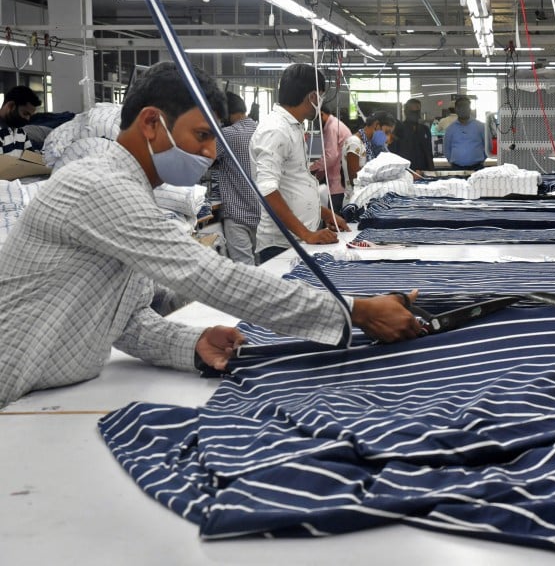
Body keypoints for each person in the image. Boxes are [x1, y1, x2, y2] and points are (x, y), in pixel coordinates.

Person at [0, 62, 424, 409]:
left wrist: (191, 343)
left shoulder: (133, 195)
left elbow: (124, 320)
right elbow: (208, 275)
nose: (211, 153)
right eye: (202, 136)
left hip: (46, 403)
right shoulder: (97, 185)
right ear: (152, 123)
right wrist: (355, 313)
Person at [251, 64, 350, 262]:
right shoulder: (275, 130)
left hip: (298, 239)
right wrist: (307, 234)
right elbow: (267, 189)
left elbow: (293, 181)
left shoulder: (293, 127)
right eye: (321, 97)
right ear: (312, 97)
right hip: (282, 244)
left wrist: (325, 213)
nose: (321, 103)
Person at [216, 91, 261, 265]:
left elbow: (203, 159)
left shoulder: (226, 135)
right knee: (262, 268)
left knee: (244, 270)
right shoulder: (261, 131)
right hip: (262, 215)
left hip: (237, 215)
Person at [308, 102, 352, 212]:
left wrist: (311, 168)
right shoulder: (333, 125)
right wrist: (321, 170)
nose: (315, 123)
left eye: (315, 119)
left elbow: (330, 157)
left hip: (338, 183)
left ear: (322, 114)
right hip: (339, 180)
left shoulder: (332, 128)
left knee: (335, 215)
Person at [342, 114, 396, 199]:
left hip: (366, 197)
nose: (386, 137)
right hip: (355, 200)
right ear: (377, 125)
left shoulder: (369, 144)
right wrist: (381, 176)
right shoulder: (354, 143)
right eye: (386, 132)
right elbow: (354, 179)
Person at [390, 98, 434, 172]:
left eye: (417, 111)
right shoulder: (398, 129)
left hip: (423, 171)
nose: (415, 114)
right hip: (404, 171)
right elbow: (393, 152)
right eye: (412, 112)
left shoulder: (425, 130)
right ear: (406, 112)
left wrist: (432, 170)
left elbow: (429, 153)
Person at [443, 97, 486, 170]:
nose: (463, 109)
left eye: (466, 106)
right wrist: (452, 162)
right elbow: (446, 149)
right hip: (456, 168)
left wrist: (482, 159)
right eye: (460, 107)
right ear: (456, 109)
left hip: (477, 168)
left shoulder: (481, 126)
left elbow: (489, 147)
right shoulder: (450, 129)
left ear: (469, 109)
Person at [1, 86, 42, 157]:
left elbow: (30, 159)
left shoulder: (21, 132)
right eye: (25, 113)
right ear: (10, 106)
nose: (28, 119)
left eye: (30, 116)